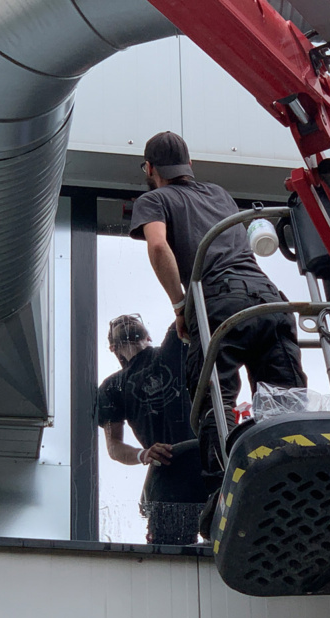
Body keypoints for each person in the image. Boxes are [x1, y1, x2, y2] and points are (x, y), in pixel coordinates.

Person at [130, 131, 307, 533]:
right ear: (190, 166)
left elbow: (159, 247)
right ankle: (292, 482)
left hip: (222, 300)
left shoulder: (154, 199)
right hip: (269, 300)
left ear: (149, 169)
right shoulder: (219, 194)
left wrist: (180, 306)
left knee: (213, 399)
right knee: (284, 400)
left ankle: (228, 497)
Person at [97, 314, 206, 545]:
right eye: (117, 323)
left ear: (148, 336)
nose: (124, 319)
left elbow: (189, 308)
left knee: (227, 540)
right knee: (170, 556)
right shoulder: (112, 387)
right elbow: (113, 447)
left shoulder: (173, 348)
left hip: (208, 460)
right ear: (113, 348)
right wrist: (143, 454)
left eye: (129, 320)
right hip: (168, 475)